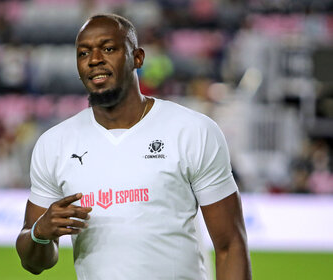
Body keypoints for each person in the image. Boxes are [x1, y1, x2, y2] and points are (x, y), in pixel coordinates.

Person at [16, 14, 251, 280]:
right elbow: (34, 263)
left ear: (137, 58)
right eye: (83, 53)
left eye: (108, 49)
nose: (94, 60)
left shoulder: (192, 130)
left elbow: (230, 245)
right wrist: (40, 234)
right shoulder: (54, 144)